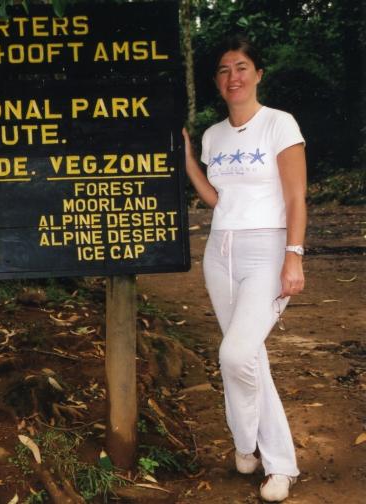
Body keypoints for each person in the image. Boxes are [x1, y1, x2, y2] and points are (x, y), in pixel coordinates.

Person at [182, 35, 307, 503]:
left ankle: (262, 452)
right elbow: (217, 199)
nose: (232, 77)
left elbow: (296, 196)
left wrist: (294, 254)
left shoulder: (280, 125)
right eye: (223, 70)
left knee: (235, 355)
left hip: (268, 250)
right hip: (221, 252)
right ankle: (260, 456)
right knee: (249, 356)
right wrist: (191, 161)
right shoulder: (214, 135)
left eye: (240, 67)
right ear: (217, 81)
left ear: (257, 73)